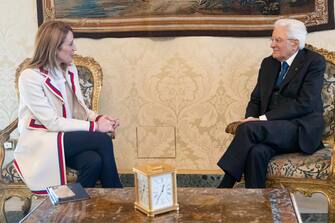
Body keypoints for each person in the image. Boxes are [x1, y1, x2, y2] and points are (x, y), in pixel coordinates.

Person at [14, 21, 122, 194]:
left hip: (65, 139)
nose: (75, 48)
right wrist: (95, 127)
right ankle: (117, 197)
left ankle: (74, 211)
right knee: (102, 139)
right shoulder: (29, 77)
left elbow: (79, 109)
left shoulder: (69, 69)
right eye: (70, 44)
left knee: (93, 161)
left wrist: (99, 118)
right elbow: (52, 123)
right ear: (55, 47)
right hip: (42, 142)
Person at [217, 19, 325, 188]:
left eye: (278, 40)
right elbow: (256, 99)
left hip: (300, 129)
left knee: (248, 129)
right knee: (256, 152)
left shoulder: (314, 62)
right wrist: (252, 118)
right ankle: (257, 205)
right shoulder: (268, 63)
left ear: (294, 44)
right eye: (272, 39)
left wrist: (261, 120)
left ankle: (225, 186)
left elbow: (306, 103)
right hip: (271, 130)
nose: (272, 45)